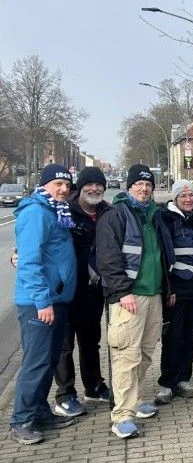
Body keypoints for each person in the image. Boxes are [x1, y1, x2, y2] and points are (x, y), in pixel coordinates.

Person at [96, 165, 171, 439]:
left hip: (154, 295)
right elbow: (108, 259)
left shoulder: (153, 214)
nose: (144, 189)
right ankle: (122, 415)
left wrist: (167, 288)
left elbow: (162, 255)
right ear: (129, 187)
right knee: (127, 355)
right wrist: (123, 291)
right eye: (139, 184)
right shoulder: (115, 216)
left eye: (148, 185)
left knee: (146, 351)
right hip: (129, 297)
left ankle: (135, 400)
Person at [9, 164, 77, 444]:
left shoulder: (56, 211)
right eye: (57, 184)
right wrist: (42, 301)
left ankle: (39, 412)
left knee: (48, 362)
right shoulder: (36, 212)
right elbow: (29, 261)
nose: (63, 189)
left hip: (56, 300)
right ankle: (21, 420)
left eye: (66, 184)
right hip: (40, 303)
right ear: (44, 185)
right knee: (35, 364)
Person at [51, 167, 111, 419]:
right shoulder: (64, 211)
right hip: (65, 291)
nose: (94, 189)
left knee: (90, 342)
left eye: (99, 185)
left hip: (92, 290)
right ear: (81, 187)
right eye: (90, 185)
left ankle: (94, 386)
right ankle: (65, 396)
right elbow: (44, 240)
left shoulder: (106, 212)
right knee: (64, 345)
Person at [154, 180, 193, 405]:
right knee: (173, 336)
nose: (188, 199)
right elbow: (164, 256)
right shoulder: (166, 219)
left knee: (191, 336)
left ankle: (184, 378)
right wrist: (169, 288)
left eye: (192, 195)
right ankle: (167, 382)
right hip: (177, 288)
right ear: (175, 198)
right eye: (183, 196)